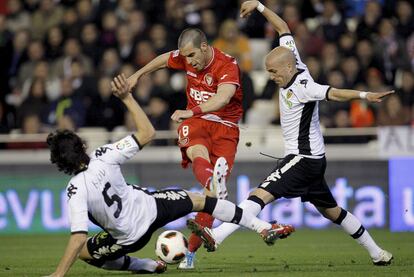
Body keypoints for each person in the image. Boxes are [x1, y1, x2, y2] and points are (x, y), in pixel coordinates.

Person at [191, 1, 394, 267]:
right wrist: (260, 6)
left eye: (274, 73)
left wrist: (366, 95)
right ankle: (378, 253)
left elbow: (333, 93)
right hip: (313, 161)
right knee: (333, 212)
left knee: (259, 194)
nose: (272, 77)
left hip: (302, 158)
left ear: (287, 68)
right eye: (269, 72)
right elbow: (283, 27)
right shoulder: (291, 58)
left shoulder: (305, 85)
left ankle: (217, 236)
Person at [43, 74, 294, 277]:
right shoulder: (104, 154)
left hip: (130, 238)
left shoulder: (75, 189)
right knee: (200, 201)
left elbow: (78, 238)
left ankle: (144, 266)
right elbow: (148, 133)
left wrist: (58, 274)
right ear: (82, 146)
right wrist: (127, 98)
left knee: (86, 253)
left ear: (60, 164)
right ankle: (261, 226)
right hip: (153, 207)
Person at [125, 28, 244, 269]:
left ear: (204, 46)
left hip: (225, 127)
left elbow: (222, 99)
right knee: (196, 152)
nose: (188, 62)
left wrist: (190, 111)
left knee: (211, 202)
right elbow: (162, 60)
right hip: (197, 122)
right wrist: (137, 75)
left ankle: (190, 253)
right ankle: (212, 182)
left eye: (191, 56)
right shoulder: (186, 55)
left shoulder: (227, 65)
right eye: (184, 57)